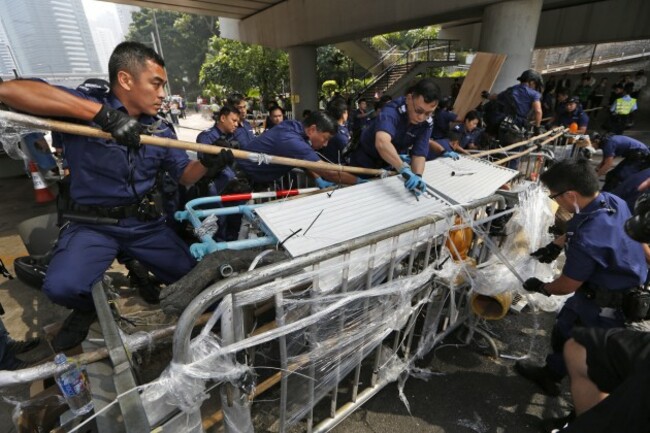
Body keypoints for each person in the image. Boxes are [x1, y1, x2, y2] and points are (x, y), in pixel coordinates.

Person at [0, 41, 229, 351]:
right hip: (93, 225)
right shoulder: (82, 111)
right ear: (125, 80)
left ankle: (219, 335)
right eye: (156, 83)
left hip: (144, 226)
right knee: (62, 286)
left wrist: (205, 165)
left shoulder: (161, 130)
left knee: (199, 280)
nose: (163, 93)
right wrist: (102, 115)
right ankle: (87, 309)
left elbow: (184, 175)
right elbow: (12, 91)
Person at [515, 159, 647, 399]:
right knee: (569, 330)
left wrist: (543, 287)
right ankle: (551, 374)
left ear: (571, 195)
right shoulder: (610, 202)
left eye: (554, 197)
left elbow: (568, 284)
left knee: (586, 354)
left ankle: (582, 415)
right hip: (623, 291)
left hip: (602, 305)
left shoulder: (587, 241)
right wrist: (555, 245)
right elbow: (582, 223)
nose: (554, 201)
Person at [349, 78, 439, 196]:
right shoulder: (391, 111)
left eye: (428, 113)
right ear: (409, 99)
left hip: (389, 163)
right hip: (364, 161)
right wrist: (403, 169)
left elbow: (419, 153)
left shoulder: (427, 123)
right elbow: (382, 143)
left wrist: (417, 176)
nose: (421, 117)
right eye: (418, 111)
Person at [237, 111, 363, 189]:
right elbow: (329, 172)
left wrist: (317, 178)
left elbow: (303, 161)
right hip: (238, 180)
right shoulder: (293, 141)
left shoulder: (293, 126)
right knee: (233, 227)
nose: (325, 144)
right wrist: (359, 182)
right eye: (325, 138)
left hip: (249, 178)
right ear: (312, 129)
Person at [321, 97, 351, 164]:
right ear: (343, 114)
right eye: (346, 112)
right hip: (338, 168)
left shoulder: (330, 126)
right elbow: (349, 155)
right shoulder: (339, 134)